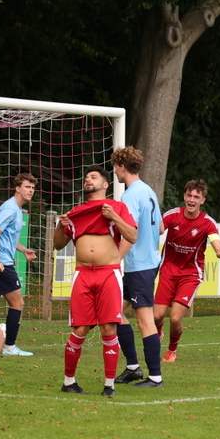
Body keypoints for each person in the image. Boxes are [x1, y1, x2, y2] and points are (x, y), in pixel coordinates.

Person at [53, 166, 137, 396]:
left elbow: (132, 236)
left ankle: (109, 386)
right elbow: (58, 244)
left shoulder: (117, 207)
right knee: (79, 329)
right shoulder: (76, 211)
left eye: (93, 177)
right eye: (86, 178)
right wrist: (60, 226)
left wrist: (114, 217)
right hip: (82, 274)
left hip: (108, 273)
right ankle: (68, 382)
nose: (88, 180)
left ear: (106, 184)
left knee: (108, 328)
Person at [152, 180, 220, 361]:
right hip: (168, 271)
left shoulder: (207, 222)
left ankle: (171, 350)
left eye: (196, 197)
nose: (192, 200)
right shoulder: (173, 214)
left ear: (202, 200)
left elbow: (215, 240)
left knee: (175, 318)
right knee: (156, 316)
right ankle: (159, 332)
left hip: (190, 275)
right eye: (189, 196)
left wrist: (219, 250)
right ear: (184, 196)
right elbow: (159, 229)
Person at [110, 147, 165, 388]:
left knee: (144, 321)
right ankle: (133, 367)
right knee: (115, 313)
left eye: (115, 167)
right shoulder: (148, 191)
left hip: (140, 266)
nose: (115, 172)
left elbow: (130, 232)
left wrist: (114, 260)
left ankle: (155, 377)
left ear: (122, 167)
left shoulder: (130, 194)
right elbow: (160, 228)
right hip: (144, 263)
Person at [0, 173, 38, 356]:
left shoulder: (15, 208)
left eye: (32, 188)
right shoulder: (10, 208)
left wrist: (23, 250)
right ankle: (10, 346)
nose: (30, 191)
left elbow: (7, 237)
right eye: (27, 187)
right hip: (0, 264)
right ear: (17, 188)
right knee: (17, 303)